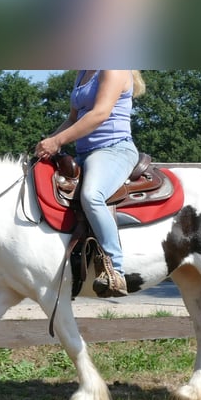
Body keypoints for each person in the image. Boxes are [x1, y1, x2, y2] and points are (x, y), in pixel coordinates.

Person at [35, 70, 145, 297]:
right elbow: (72, 119)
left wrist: (57, 141)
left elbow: (100, 114)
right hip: (84, 153)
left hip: (114, 149)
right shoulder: (83, 73)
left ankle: (115, 270)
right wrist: (47, 143)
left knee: (91, 195)